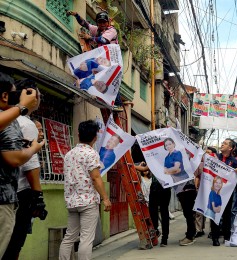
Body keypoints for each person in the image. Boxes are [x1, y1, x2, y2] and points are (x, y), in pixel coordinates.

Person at [0, 73, 45, 258]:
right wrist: (38, 195)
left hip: (10, 194)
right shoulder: (19, 121)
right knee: (12, 247)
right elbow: (17, 160)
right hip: (7, 197)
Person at [59, 120, 111, 260]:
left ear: (78, 134)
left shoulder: (69, 154)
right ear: (95, 137)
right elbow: (96, 178)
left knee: (69, 237)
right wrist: (105, 198)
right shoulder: (92, 154)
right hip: (87, 201)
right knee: (86, 239)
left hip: (71, 201)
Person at [66, 10, 123, 112]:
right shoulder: (97, 30)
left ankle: (118, 103)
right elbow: (86, 24)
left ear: (108, 22)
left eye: (104, 22)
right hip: (103, 59)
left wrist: (90, 38)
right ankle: (102, 97)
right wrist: (76, 15)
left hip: (112, 59)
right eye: (100, 22)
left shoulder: (112, 30)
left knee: (111, 77)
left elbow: (104, 40)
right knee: (100, 78)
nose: (102, 24)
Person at [210, 138, 237, 246]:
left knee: (226, 215)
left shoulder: (234, 161)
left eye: (225, 144)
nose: (222, 144)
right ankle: (215, 237)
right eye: (222, 143)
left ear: (230, 148)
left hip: (227, 192)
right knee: (214, 213)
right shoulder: (215, 158)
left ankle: (227, 237)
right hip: (215, 191)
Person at [135, 162, 171, 247]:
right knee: (152, 211)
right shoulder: (154, 158)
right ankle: (155, 231)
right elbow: (144, 169)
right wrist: (134, 165)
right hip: (154, 186)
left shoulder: (169, 159)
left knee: (164, 212)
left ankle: (164, 238)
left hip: (165, 187)